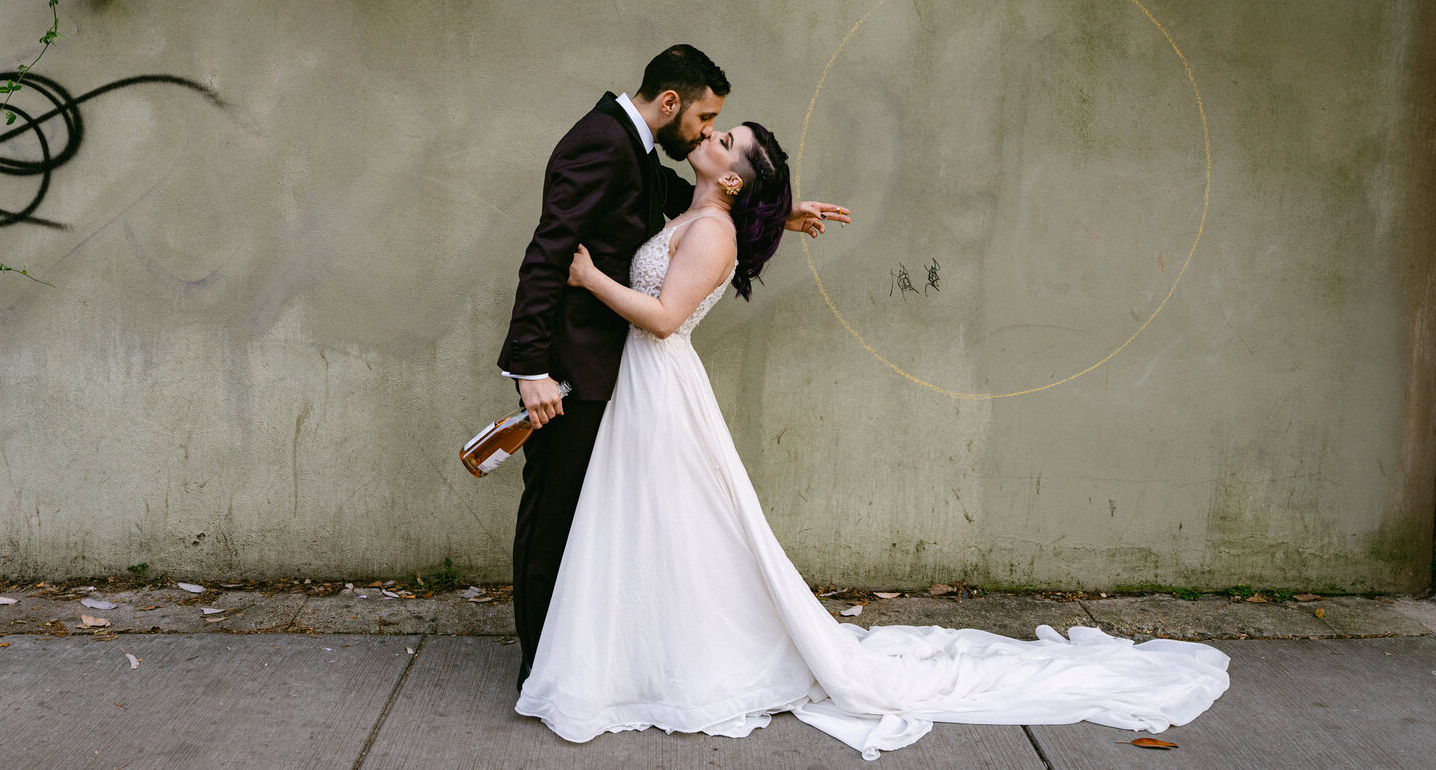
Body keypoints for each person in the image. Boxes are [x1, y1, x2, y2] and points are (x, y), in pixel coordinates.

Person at [514, 121, 1231, 760]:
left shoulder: (712, 231)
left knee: (677, 524)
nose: (708, 137)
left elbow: (665, 317)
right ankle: (641, 655)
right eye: (717, 129)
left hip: (660, 382)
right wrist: (779, 210)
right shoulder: (697, 213)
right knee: (656, 528)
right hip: (647, 388)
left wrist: (588, 276)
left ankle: (673, 662)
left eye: (723, 140)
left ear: (730, 177)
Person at [498, 45, 849, 690]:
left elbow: (677, 199)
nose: (708, 130)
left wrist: (771, 208)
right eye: (707, 118)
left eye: (721, 131)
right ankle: (541, 663)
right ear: (670, 105)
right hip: (571, 369)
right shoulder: (605, 143)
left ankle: (577, 659)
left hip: (629, 375)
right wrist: (527, 368)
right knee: (555, 514)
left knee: (604, 519)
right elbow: (547, 252)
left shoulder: (632, 145)